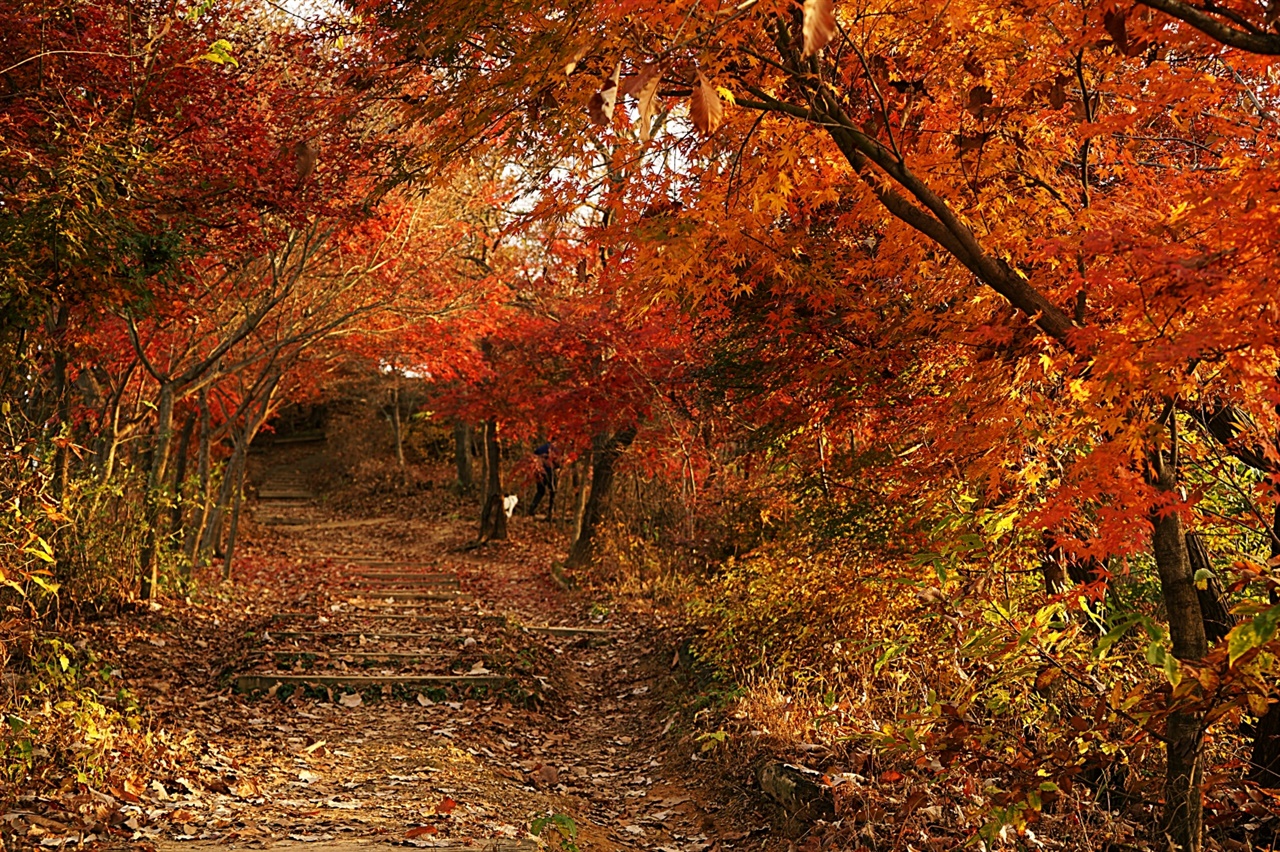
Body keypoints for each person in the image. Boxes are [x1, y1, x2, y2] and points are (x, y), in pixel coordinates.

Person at [528, 439, 559, 518]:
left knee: (540, 491)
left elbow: (533, 459)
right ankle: (551, 512)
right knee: (553, 491)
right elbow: (557, 463)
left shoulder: (540, 448)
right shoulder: (555, 449)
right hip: (550, 472)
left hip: (539, 472)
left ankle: (532, 508)